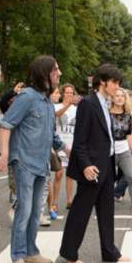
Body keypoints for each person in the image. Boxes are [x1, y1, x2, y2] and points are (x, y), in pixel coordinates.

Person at [0, 56, 69, 263]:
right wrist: (5, 153)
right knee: (25, 209)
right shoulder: (27, 97)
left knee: (36, 210)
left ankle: (31, 250)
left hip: (41, 163)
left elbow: (51, 134)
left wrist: (69, 150)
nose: (60, 73)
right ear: (45, 73)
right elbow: (6, 124)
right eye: (56, 69)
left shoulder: (47, 101)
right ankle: (18, 254)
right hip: (24, 162)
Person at [59, 65, 129, 263]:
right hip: (93, 167)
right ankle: (69, 252)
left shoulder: (105, 104)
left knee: (107, 210)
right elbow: (80, 140)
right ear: (102, 82)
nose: (117, 86)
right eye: (114, 82)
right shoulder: (88, 104)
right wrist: (86, 166)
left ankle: (109, 251)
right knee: (81, 210)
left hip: (106, 164)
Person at [110, 88, 132, 216]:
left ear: (125, 99)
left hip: (124, 150)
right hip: (109, 151)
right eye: (117, 95)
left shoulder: (127, 115)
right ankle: (101, 201)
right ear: (112, 98)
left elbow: (129, 135)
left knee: (131, 176)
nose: (119, 98)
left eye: (122, 96)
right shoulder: (107, 114)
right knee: (107, 179)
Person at [53, 84, 79, 215]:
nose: (69, 95)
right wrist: (68, 105)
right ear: (63, 94)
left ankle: (69, 200)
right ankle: (55, 202)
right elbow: (56, 115)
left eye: (71, 93)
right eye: (67, 92)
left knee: (70, 174)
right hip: (59, 144)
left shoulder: (76, 109)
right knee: (58, 174)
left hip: (72, 144)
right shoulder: (56, 106)